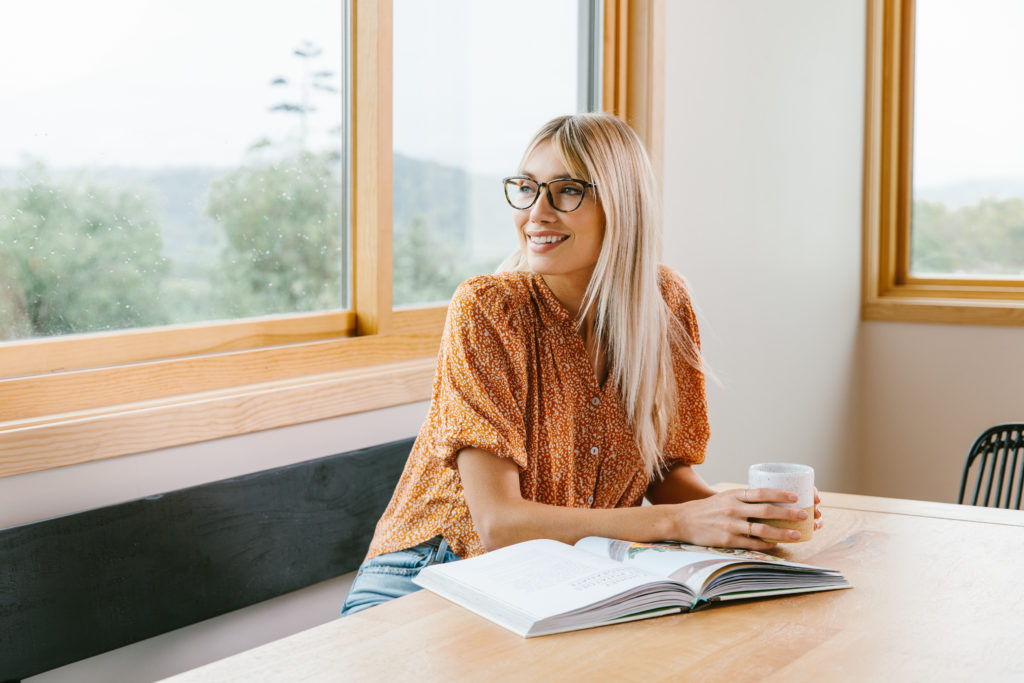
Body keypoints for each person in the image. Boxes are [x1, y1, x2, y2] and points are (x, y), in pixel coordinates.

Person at [341, 112, 822, 616]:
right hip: (432, 577)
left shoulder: (664, 302)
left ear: (621, 206)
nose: (538, 212)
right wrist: (680, 523)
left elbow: (663, 474)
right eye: (527, 188)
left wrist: (746, 515)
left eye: (567, 190)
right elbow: (500, 525)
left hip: (561, 579)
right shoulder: (487, 310)